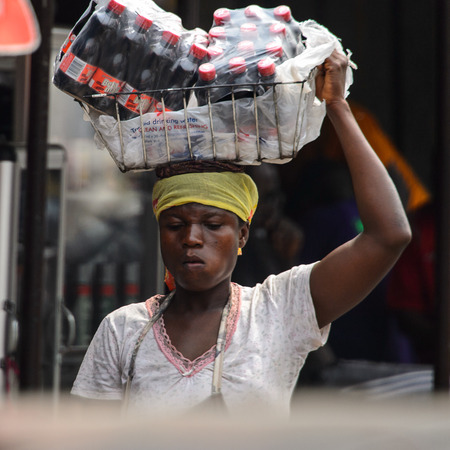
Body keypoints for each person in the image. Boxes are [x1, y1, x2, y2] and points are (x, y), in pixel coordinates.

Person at [70, 50, 411, 415]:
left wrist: (337, 106)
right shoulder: (123, 330)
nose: (191, 238)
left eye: (213, 225)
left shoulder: (278, 311)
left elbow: (388, 236)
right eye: (175, 225)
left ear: (243, 236)